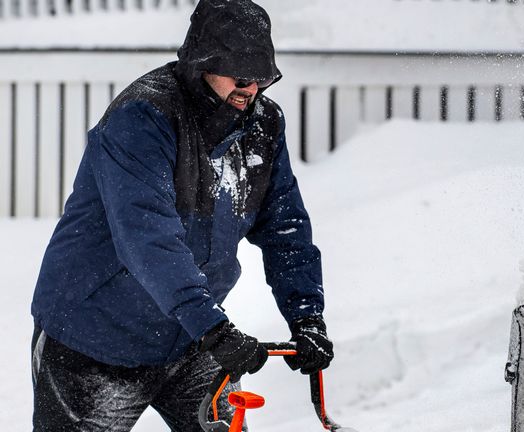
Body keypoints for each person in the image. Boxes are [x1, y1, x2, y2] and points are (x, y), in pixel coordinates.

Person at [30, 0, 333, 430]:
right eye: (241, 77)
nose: (252, 90)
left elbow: (285, 227)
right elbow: (148, 239)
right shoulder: (143, 118)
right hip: (94, 338)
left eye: (262, 79)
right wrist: (211, 326)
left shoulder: (263, 126)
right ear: (203, 65)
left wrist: (307, 317)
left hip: (189, 339)